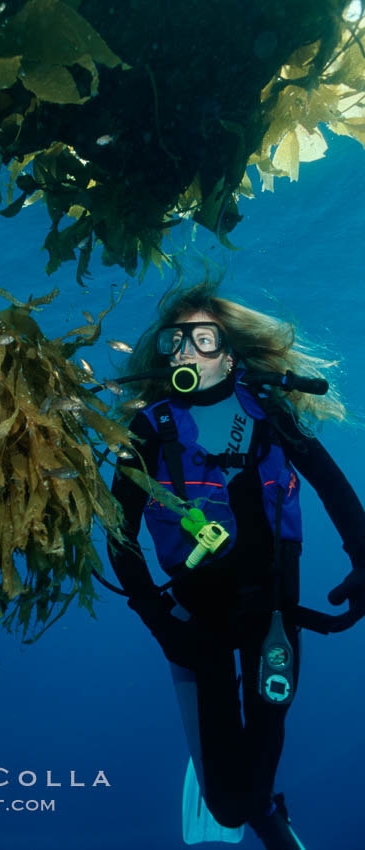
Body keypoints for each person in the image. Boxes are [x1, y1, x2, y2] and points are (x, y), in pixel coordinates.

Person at [107, 283, 365, 849]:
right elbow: (116, 532)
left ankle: (264, 806)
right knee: (226, 806)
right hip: (197, 620)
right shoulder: (149, 428)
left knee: (267, 733)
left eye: (204, 339)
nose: (186, 352)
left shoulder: (271, 414)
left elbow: (334, 487)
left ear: (230, 354)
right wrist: (159, 620)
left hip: (275, 607)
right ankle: (248, 805)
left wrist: (364, 559)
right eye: (177, 341)